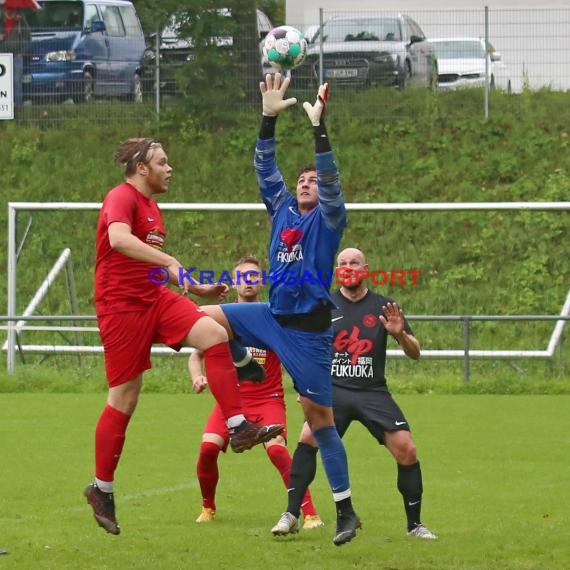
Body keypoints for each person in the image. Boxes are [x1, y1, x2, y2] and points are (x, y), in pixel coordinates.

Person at [84, 138, 284, 536]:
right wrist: (172, 261)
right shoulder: (121, 197)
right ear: (142, 167)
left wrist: (197, 289)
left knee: (213, 331)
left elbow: (158, 269)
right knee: (124, 398)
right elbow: (119, 240)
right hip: (121, 306)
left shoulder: (153, 208)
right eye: (163, 162)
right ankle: (102, 488)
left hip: (154, 297)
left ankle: (239, 424)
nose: (169, 168)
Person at [202, 74, 361, 546]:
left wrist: (319, 131)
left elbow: (330, 181)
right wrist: (268, 118)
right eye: (301, 179)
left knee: (319, 422)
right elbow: (264, 167)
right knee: (207, 318)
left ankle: (346, 511)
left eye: (313, 179)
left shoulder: (329, 221)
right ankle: (245, 372)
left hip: (309, 334)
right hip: (270, 317)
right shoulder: (282, 208)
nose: (306, 182)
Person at [281, 247, 438, 540]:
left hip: (372, 392)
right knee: (307, 438)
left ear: (365, 269)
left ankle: (415, 525)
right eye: (342, 263)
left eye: (354, 262)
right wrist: (305, 386)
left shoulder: (385, 307)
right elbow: (301, 349)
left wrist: (399, 334)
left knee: (407, 449)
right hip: (332, 391)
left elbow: (415, 353)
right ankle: (291, 514)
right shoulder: (321, 306)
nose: (348, 267)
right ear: (336, 270)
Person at [189, 255, 323, 529]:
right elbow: (196, 354)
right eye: (242, 276)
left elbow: (294, 354)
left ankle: (309, 513)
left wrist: (304, 385)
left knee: (277, 451)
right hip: (231, 403)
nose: (248, 281)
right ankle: (208, 507)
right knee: (207, 448)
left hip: (267, 400)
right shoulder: (221, 316)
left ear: (261, 282)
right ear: (235, 281)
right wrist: (198, 376)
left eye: (253, 276)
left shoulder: (274, 316)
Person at [0, 6, 31, 107]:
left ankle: (18, 106)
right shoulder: (0, 20)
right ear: (4, 9)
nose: (10, 11)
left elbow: (28, 37)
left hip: (17, 56)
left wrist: (22, 52)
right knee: (3, 82)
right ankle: (5, 106)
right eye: (8, 9)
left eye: (12, 9)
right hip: (2, 57)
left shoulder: (20, 21)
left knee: (17, 81)